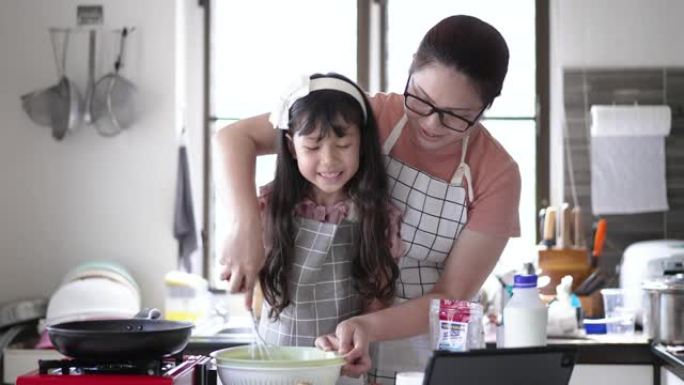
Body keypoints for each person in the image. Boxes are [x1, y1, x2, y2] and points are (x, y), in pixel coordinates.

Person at [214, 15, 520, 385]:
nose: (431, 124)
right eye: (421, 99)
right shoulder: (369, 114)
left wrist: (366, 326)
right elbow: (234, 138)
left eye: (456, 117)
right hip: (332, 345)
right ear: (410, 68)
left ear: (487, 106)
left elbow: (452, 296)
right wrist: (244, 226)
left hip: (422, 354)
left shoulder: (497, 173)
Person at [217, 73, 402, 351]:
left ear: (362, 143)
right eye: (312, 146)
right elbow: (249, 282)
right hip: (273, 364)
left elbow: (375, 305)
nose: (329, 159)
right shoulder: (269, 208)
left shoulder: (377, 216)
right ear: (292, 147)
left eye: (343, 145)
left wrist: (357, 345)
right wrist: (244, 273)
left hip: (341, 367)